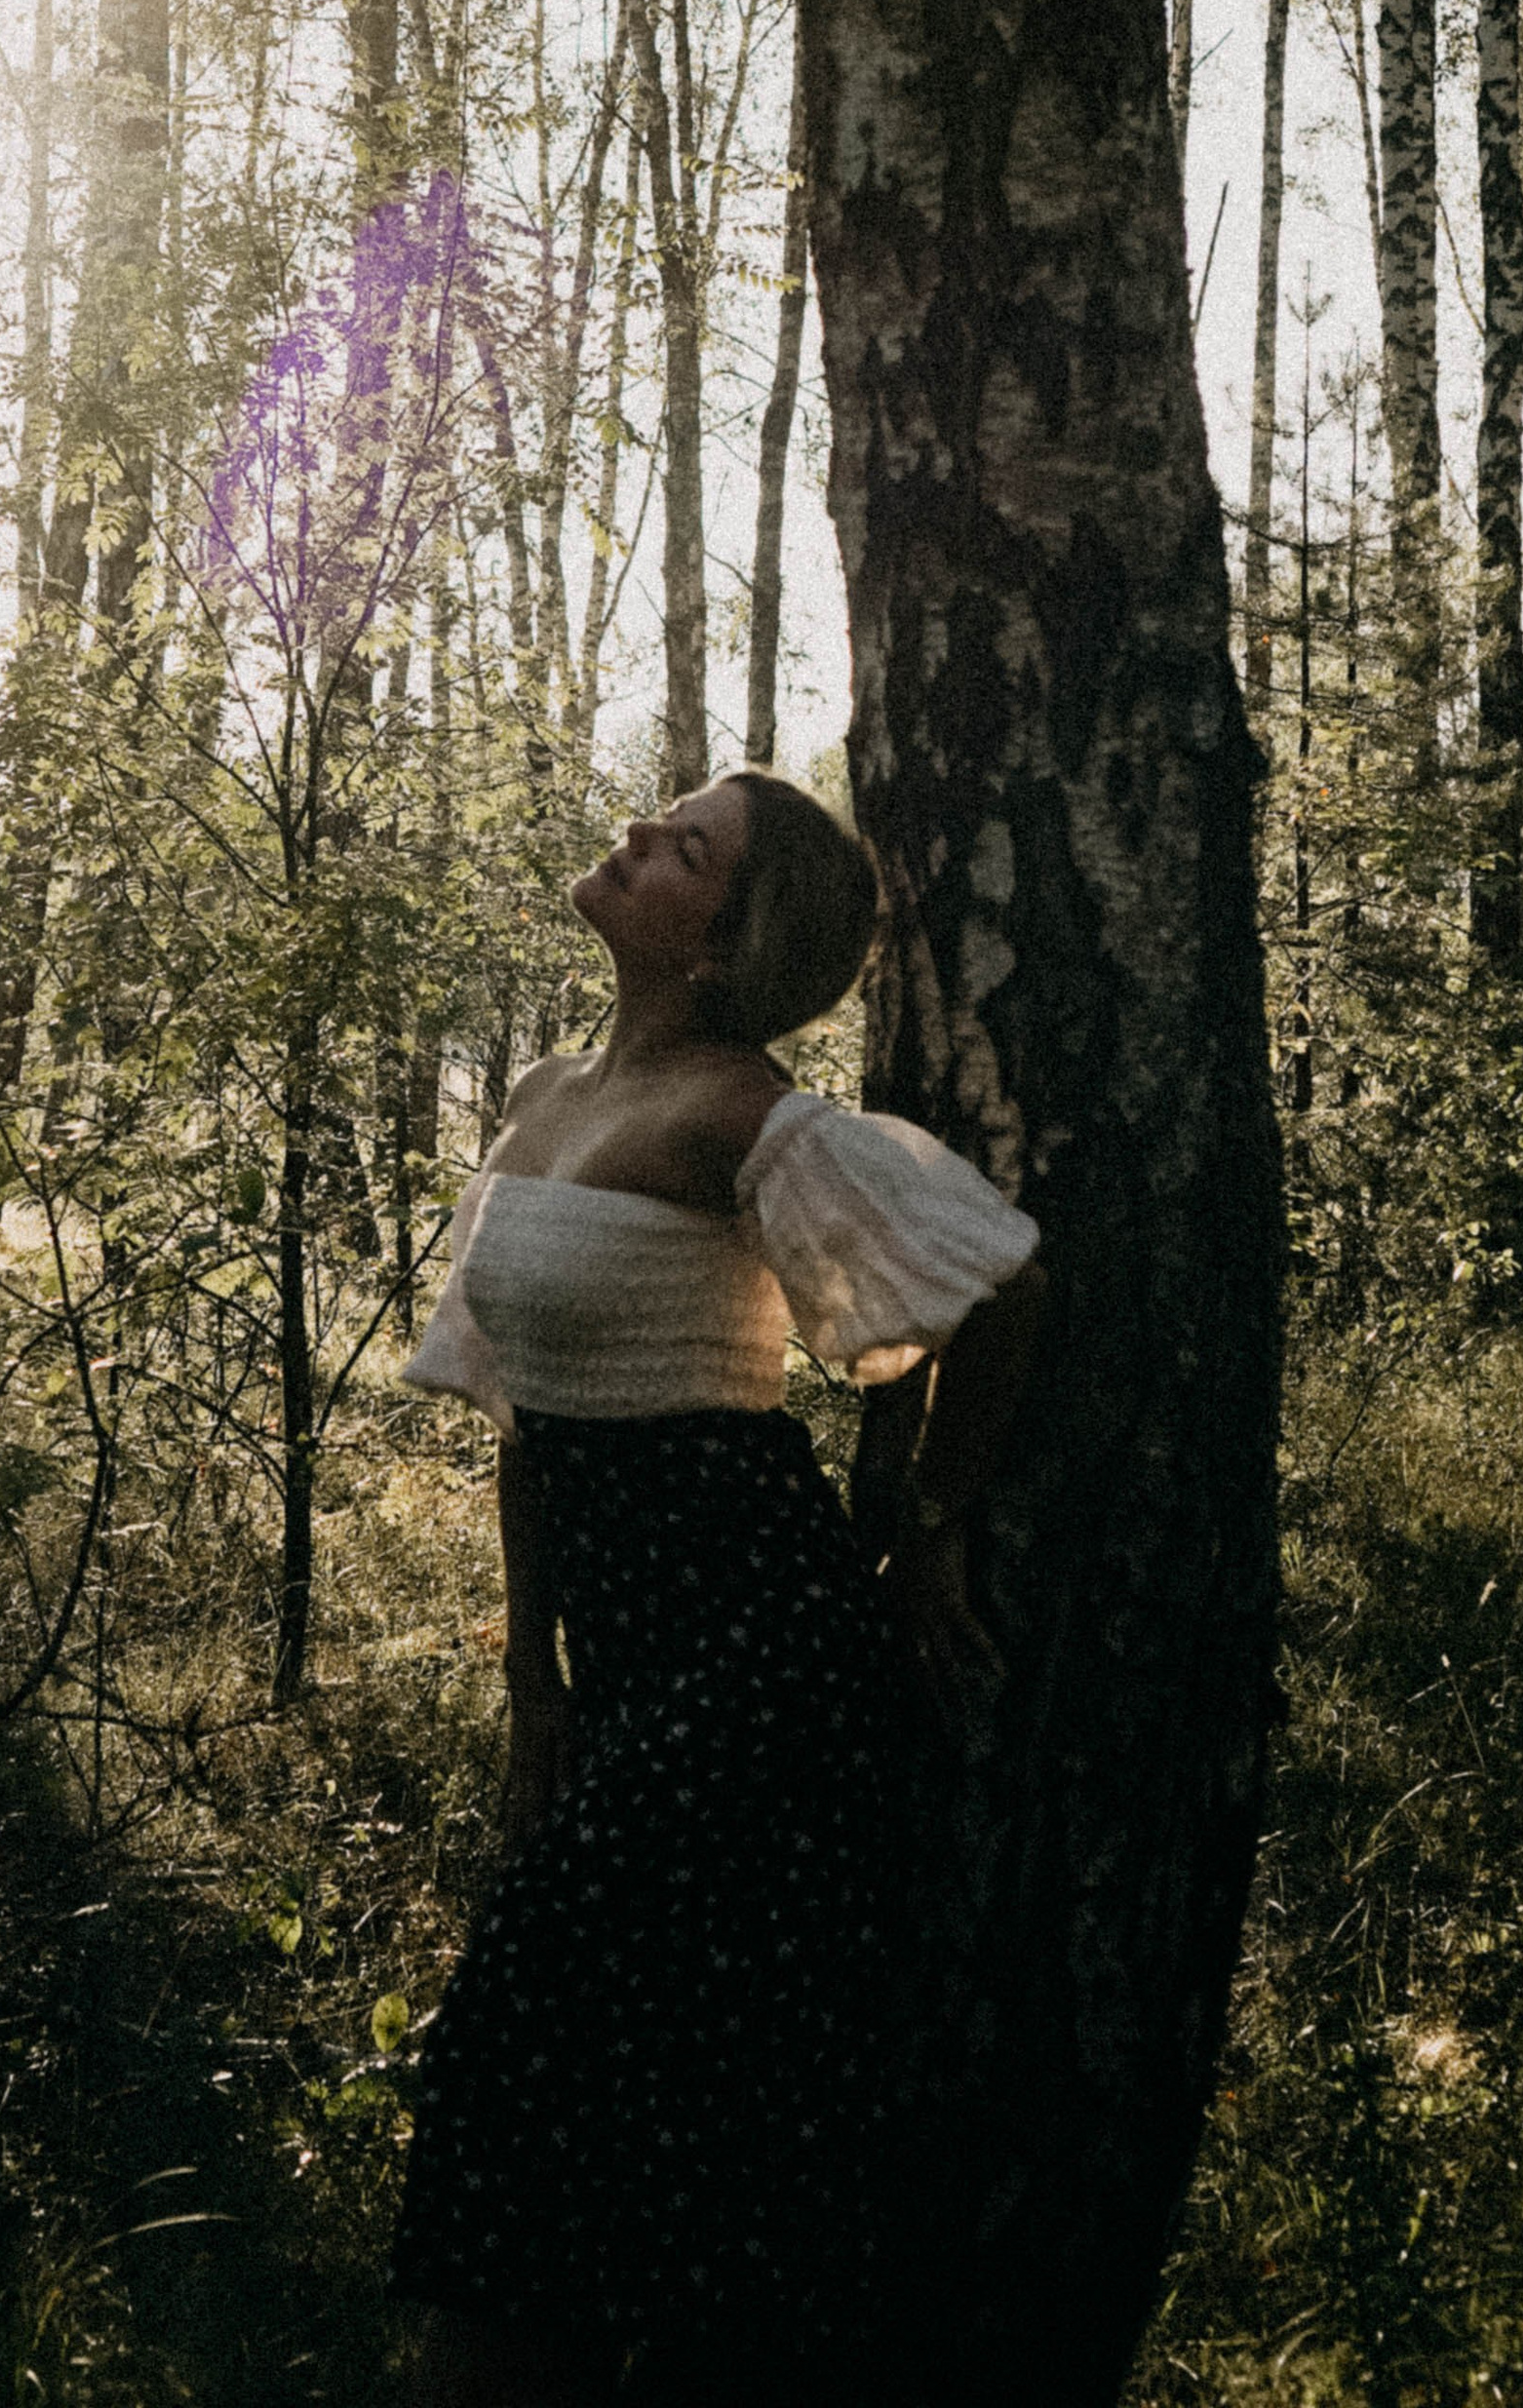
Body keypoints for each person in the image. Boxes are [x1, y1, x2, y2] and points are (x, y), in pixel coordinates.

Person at [391, 769, 1046, 2406]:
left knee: (524, 2060)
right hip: (626, 1663)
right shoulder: (550, 1094)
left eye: (683, 848)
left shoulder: (751, 1119)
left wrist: (931, 1523)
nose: (634, 838)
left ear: (727, 941)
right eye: (661, 818)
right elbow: (530, 1424)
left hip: (760, 1664)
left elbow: (1007, 1290)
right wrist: (535, 1695)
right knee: (611, 2101)